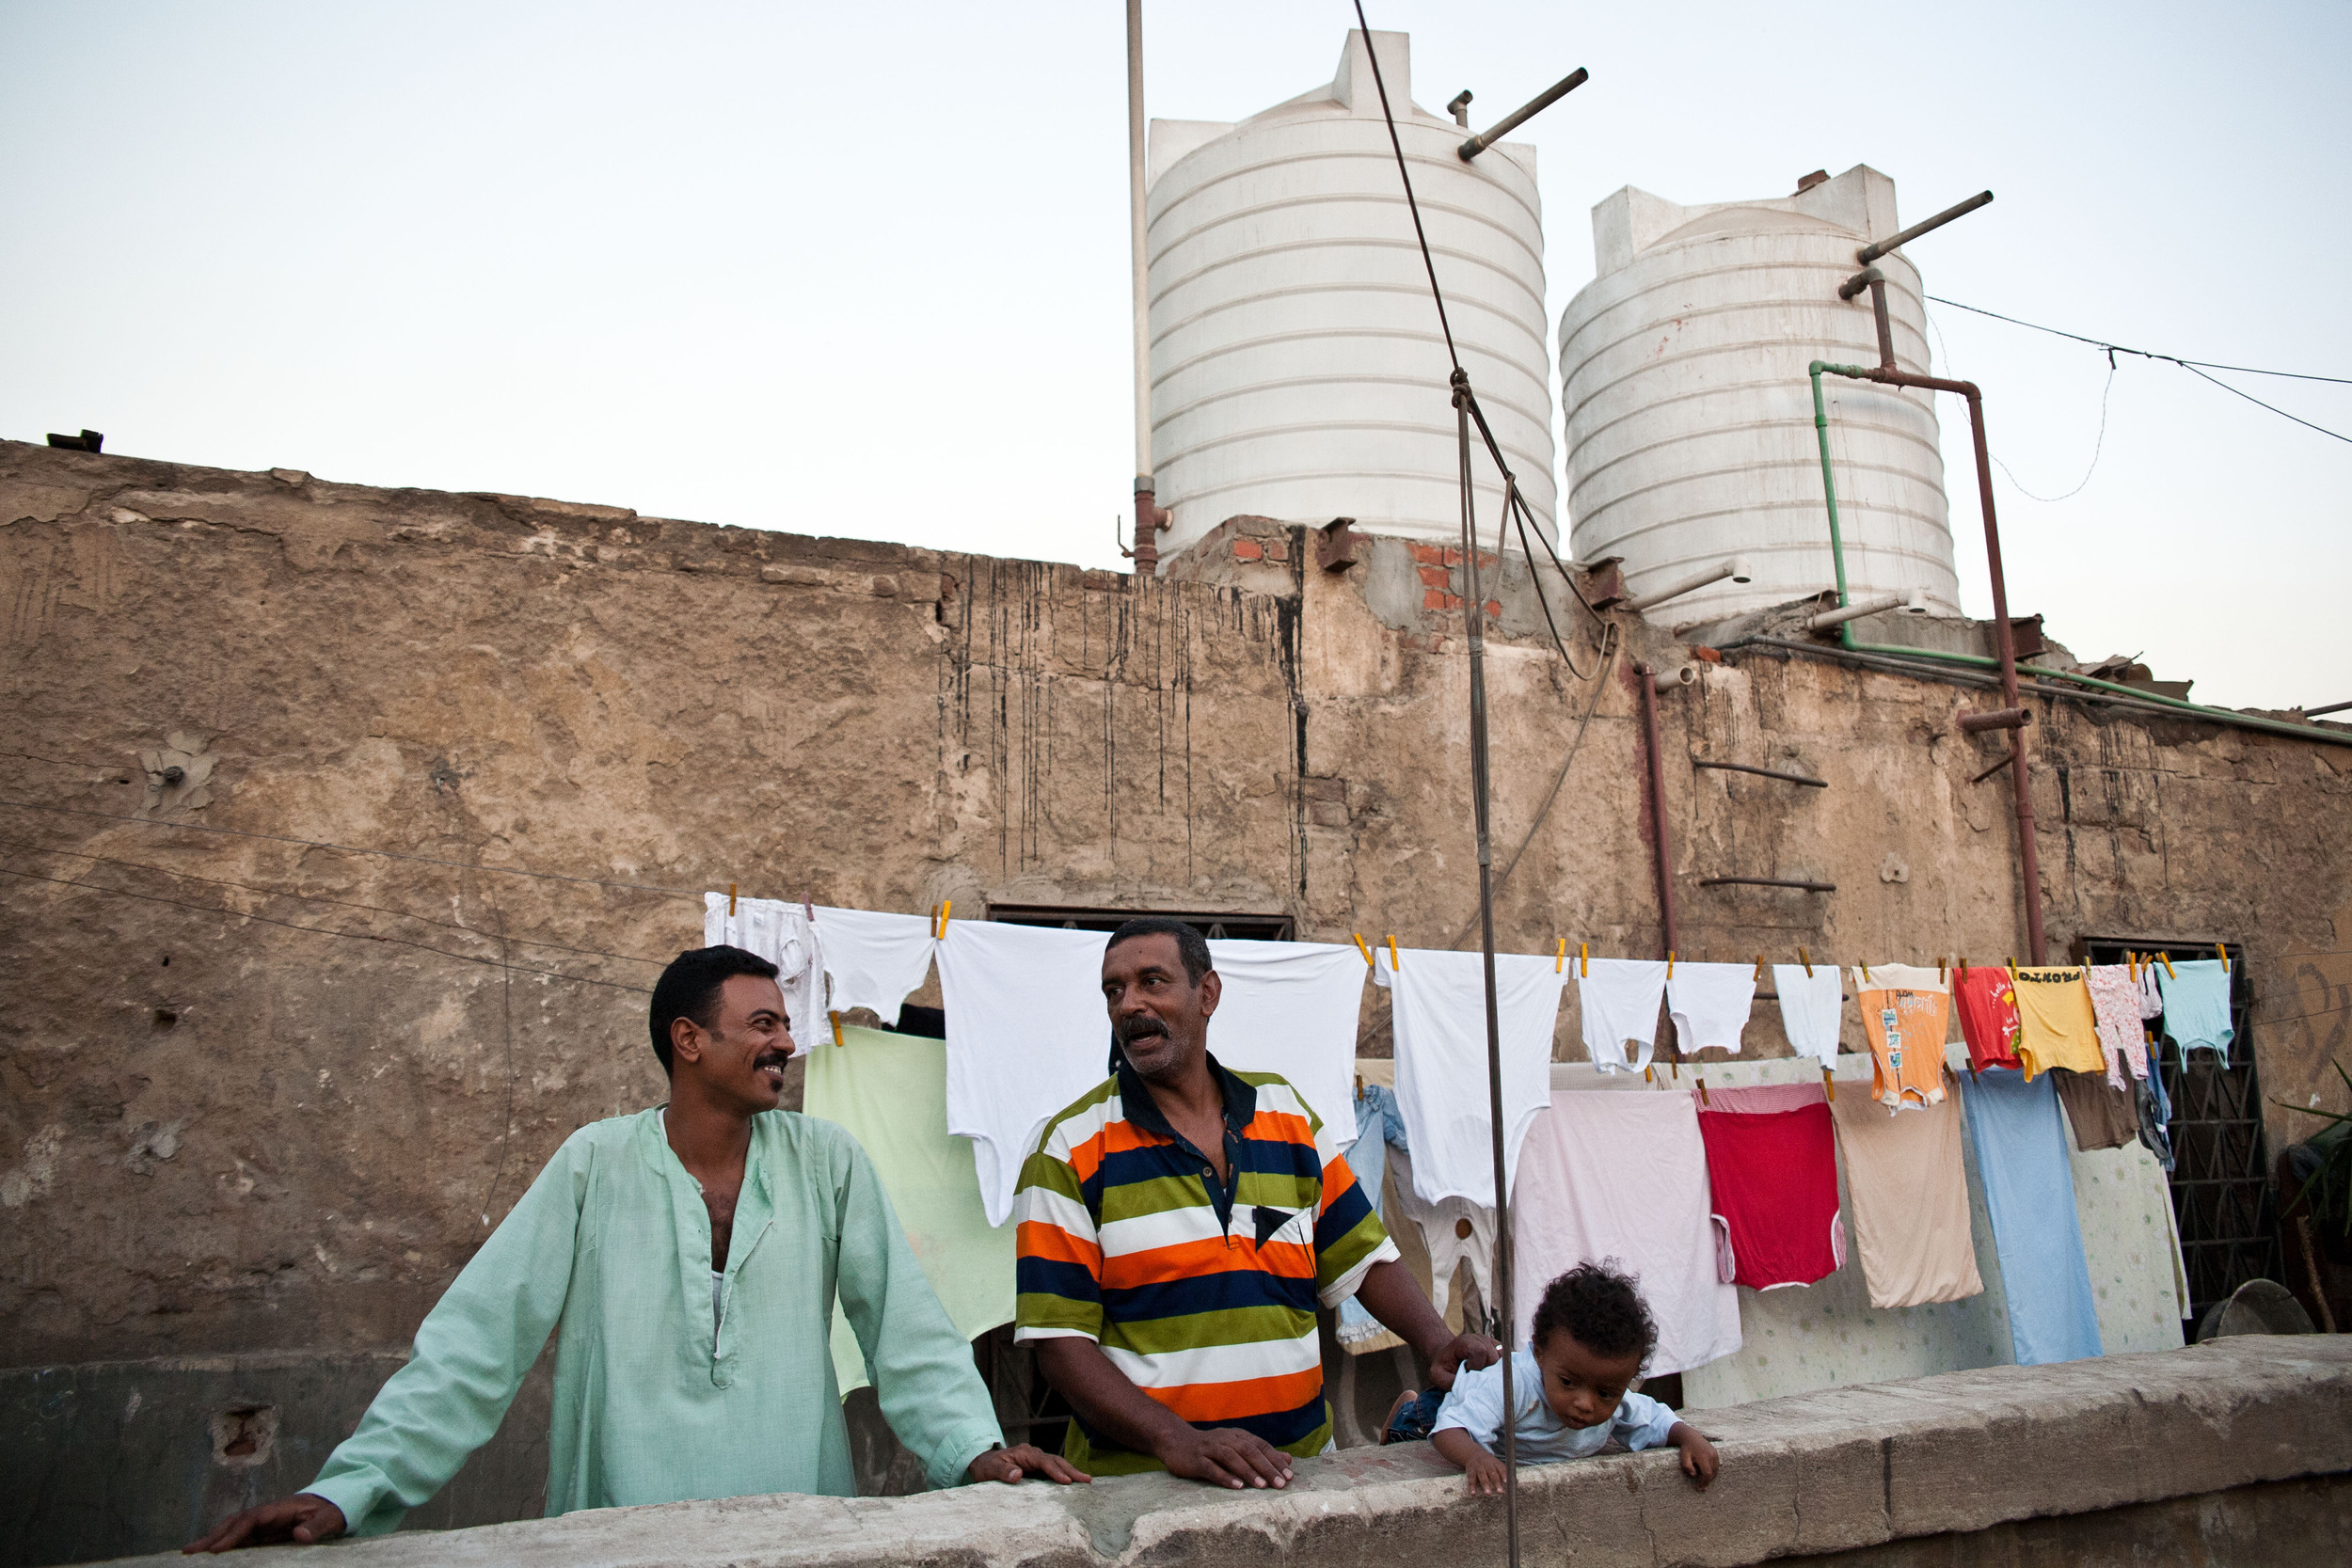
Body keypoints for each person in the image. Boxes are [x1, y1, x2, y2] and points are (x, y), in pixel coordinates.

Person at [186, 944, 1083, 1553]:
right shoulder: (594, 1163)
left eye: (784, 1025)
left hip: (799, 1535)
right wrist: (351, 1489)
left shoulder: (827, 1161)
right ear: (688, 1040)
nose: (784, 1043)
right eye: (763, 1023)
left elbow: (908, 1330)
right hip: (618, 1536)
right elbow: (475, 1343)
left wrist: (974, 1447)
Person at [1014, 916, 1499, 1490]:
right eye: (1114, 991)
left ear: (1208, 993)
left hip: (1303, 1477)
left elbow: (1362, 1259)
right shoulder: (1068, 1149)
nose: (1129, 1005)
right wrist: (1178, 1441)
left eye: (1153, 982)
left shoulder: (1285, 1115)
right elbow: (1059, 1344)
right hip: (1142, 1491)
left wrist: (1438, 1344)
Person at [1386, 1260, 1719, 1496]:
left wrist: (1689, 1437)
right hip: (1444, 1413)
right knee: (1413, 1431)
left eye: (1605, 1393)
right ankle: (1407, 1405)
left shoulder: (1615, 1399)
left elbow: (1654, 1418)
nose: (1585, 1404)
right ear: (1540, 1353)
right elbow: (1450, 1429)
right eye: (1569, 1383)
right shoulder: (1512, 1384)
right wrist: (1476, 1456)